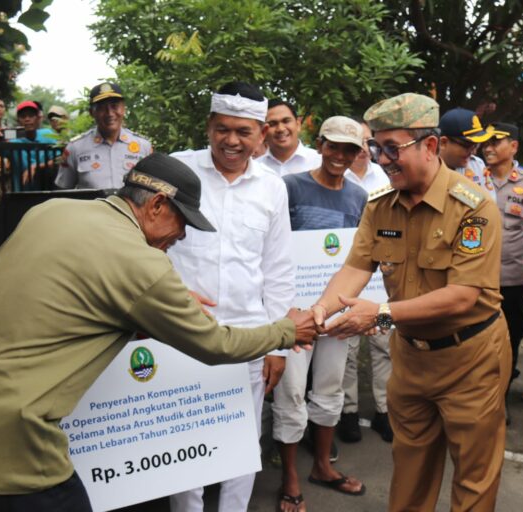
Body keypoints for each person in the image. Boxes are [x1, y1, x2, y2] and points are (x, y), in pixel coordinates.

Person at [0, 152, 317, 511]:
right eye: (184, 224)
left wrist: (139, 312)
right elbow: (217, 345)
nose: (180, 238)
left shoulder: (51, 211)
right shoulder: (141, 263)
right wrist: (285, 331)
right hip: (10, 459)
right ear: (158, 204)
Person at [312, 93, 510, 512]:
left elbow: (463, 296)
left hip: (470, 359)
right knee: (409, 470)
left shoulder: (474, 209)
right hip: (412, 359)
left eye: (392, 149)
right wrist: (322, 308)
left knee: (474, 480)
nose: (382, 160)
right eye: (376, 149)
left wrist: (380, 314)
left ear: (431, 146)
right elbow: (354, 267)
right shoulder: (381, 205)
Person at [166, 82, 294, 512]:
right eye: (223, 129)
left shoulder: (273, 187)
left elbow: (277, 269)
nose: (232, 141)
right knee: (185, 443)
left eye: (243, 131)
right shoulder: (176, 172)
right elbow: (142, 243)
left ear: (260, 134)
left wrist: (280, 346)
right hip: (183, 335)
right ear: (208, 127)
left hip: (250, 339)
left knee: (240, 442)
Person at [273, 116, 367, 511]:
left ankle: (322, 467)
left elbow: (363, 260)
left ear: (358, 153)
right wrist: (284, 309)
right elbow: (274, 250)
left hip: (335, 314)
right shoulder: (289, 187)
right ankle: (290, 474)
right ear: (319, 144)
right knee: (291, 391)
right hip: (294, 312)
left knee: (330, 389)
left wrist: (357, 311)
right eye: (333, 146)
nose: (340, 155)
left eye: (350, 149)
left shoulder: (359, 196)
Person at [338, 120, 394, 444]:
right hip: (349, 276)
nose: (361, 149)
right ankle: (348, 410)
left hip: (384, 281)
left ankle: (384, 411)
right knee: (346, 346)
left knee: (384, 344)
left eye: (366, 142)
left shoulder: (387, 175)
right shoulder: (336, 177)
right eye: (355, 142)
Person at [480, 122, 523, 394]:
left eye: (496, 142)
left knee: (512, 334)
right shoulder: (475, 177)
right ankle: (483, 389)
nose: (488, 147)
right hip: (477, 275)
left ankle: (502, 391)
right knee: (479, 336)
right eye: (486, 143)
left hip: (513, 277)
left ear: (513, 146)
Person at [56, 83, 152, 190]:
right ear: (92, 113)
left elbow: (152, 190)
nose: (110, 113)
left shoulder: (144, 146)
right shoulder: (75, 148)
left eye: (114, 106)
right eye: (102, 108)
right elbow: (63, 190)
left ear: (123, 109)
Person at [438, 107, 495, 198]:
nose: (473, 151)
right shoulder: (425, 169)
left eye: (475, 145)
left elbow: (489, 204)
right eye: (467, 145)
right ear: (443, 143)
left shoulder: (477, 165)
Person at [255, 99, 320, 176]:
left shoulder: (320, 162)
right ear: (264, 131)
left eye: (286, 121)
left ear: (298, 125)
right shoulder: (255, 168)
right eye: (272, 124)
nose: (280, 129)